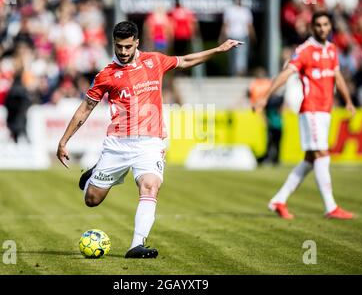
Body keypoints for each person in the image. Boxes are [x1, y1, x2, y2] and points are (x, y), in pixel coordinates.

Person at [57, 21, 243, 258]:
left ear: (136, 42)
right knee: (92, 200)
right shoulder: (106, 75)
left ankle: (136, 245)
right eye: (118, 47)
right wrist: (64, 141)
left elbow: (185, 60)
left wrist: (217, 50)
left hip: (150, 142)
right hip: (118, 144)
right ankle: (93, 175)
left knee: (150, 185)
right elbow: (85, 108)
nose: (123, 52)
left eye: (127, 46)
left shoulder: (154, 60)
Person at [254, 11, 356, 220]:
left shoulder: (332, 50)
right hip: (311, 110)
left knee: (310, 160)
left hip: (325, 111)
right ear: (312, 28)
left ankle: (279, 200)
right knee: (321, 154)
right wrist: (265, 96)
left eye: (326, 24)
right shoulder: (304, 50)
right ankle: (331, 207)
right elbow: (286, 73)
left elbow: (337, 77)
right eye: (318, 25)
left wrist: (348, 101)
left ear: (330, 27)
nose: (322, 28)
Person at [220, 0, 256, 76]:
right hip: (233, 35)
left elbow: (249, 25)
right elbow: (226, 24)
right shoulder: (231, 10)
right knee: (235, 55)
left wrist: (252, 36)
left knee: (240, 54)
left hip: (241, 35)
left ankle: (239, 72)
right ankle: (235, 72)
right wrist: (222, 36)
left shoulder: (244, 10)